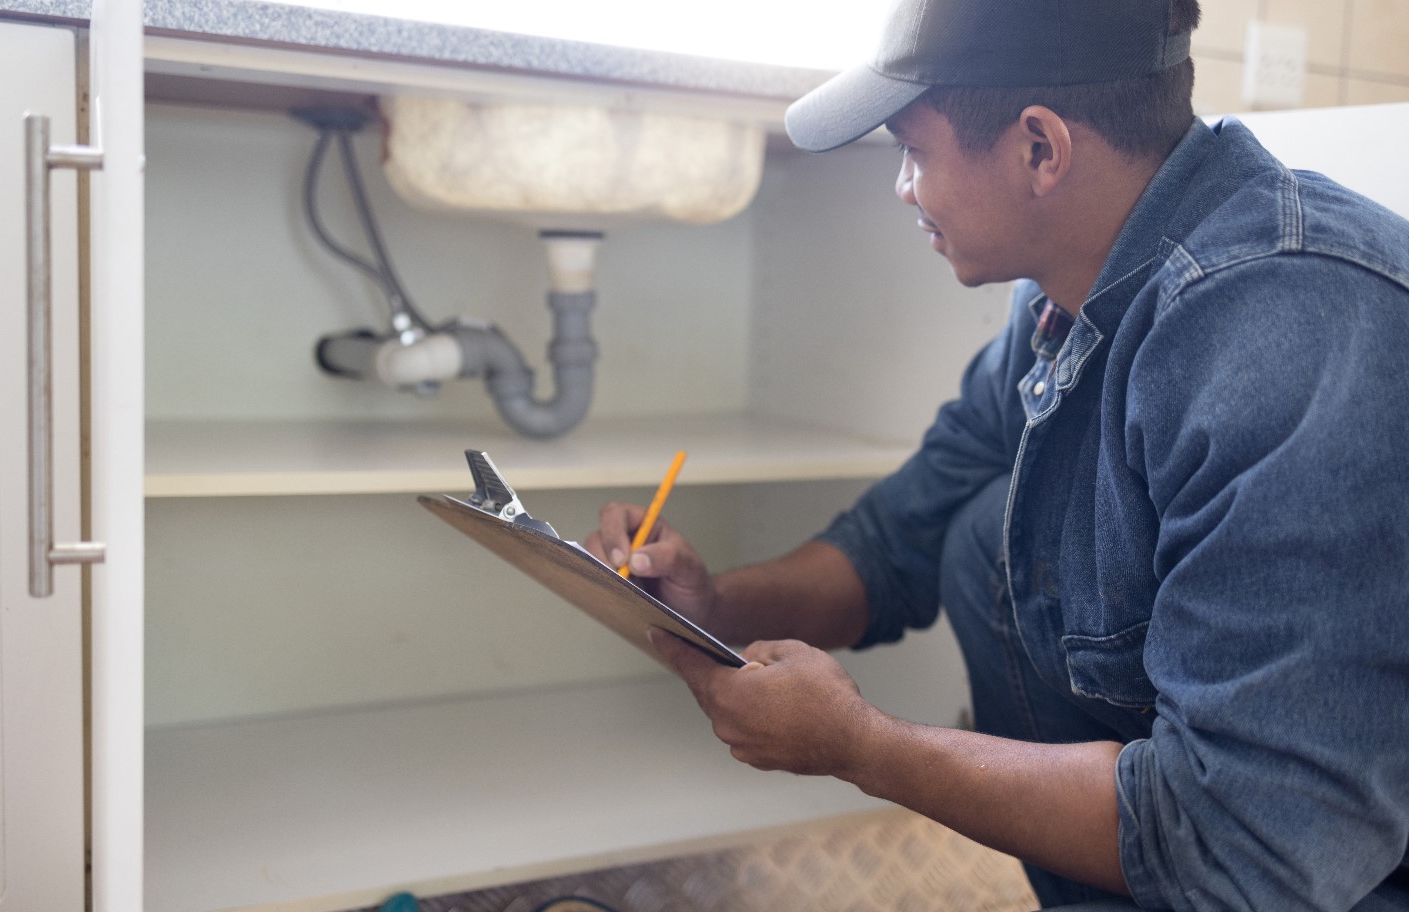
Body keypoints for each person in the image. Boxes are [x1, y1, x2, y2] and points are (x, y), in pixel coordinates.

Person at [583, 0, 1409, 908]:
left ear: (1039, 150)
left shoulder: (1286, 339)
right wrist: (719, 606)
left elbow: (1257, 847)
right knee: (980, 525)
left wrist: (858, 746)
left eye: (914, 151)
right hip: (1224, 858)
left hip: (1318, 877)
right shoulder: (1071, 297)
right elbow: (899, 538)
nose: (902, 187)